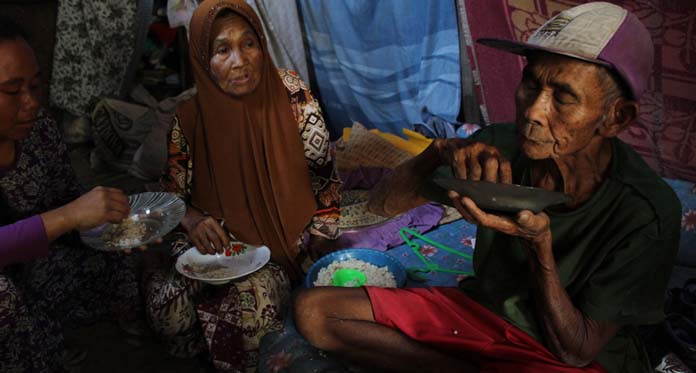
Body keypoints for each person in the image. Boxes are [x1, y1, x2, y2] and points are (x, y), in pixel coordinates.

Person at [294, 3, 680, 373]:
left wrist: (539, 248)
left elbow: (575, 350)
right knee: (314, 312)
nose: (533, 111)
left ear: (616, 118)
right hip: (482, 313)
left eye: (563, 97)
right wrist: (438, 152)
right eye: (530, 84)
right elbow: (383, 203)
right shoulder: (498, 147)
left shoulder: (647, 210)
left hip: (558, 353)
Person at [143, 0, 341, 370]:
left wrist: (321, 239)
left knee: (255, 309)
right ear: (203, 57)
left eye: (248, 43)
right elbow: (172, 192)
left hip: (286, 243)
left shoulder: (294, 95)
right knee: (167, 309)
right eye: (222, 49)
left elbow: (324, 176)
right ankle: (204, 334)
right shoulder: (187, 118)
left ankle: (230, 333)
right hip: (216, 245)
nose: (240, 60)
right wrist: (193, 221)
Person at [0, 18, 141, 372]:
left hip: (32, 265)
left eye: (35, 86)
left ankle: (49, 334)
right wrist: (69, 216)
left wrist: (109, 220)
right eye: (12, 91)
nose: (30, 103)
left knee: (110, 251)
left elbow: (67, 196)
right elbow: (67, 213)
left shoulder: (40, 131)